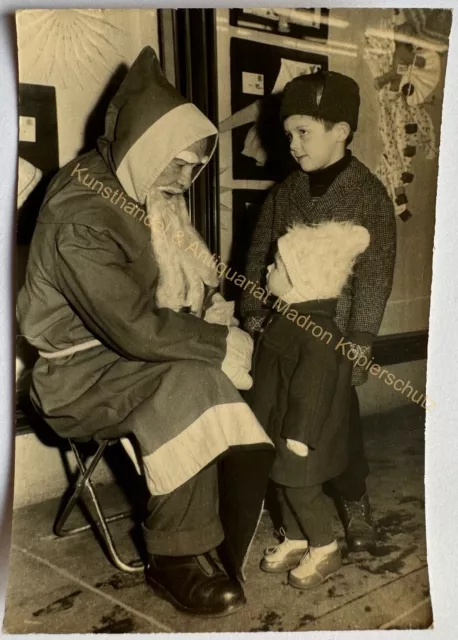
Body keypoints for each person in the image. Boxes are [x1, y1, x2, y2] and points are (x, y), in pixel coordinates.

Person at [17, 46, 274, 618]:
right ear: (143, 147)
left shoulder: (137, 185)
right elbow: (134, 328)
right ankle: (175, 558)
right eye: (177, 164)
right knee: (188, 382)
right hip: (73, 379)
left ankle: (208, 528)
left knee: (211, 369)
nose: (185, 180)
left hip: (115, 357)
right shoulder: (83, 212)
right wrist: (216, 342)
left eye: (193, 167)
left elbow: (178, 281)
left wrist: (210, 311)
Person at [241, 70, 397, 554]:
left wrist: (361, 339)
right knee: (281, 421)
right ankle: (290, 511)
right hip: (282, 335)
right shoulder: (283, 194)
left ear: (341, 131)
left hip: (335, 340)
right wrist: (251, 315)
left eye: (303, 132)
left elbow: (374, 275)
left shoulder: (368, 196)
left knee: (339, 425)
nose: (293, 144)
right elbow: (258, 258)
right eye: (288, 134)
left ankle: (353, 500)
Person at [247, 221, 370, 589]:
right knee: (282, 484)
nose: (267, 270)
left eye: (277, 266)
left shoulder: (317, 333)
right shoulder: (287, 318)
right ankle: (298, 539)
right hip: (279, 424)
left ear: (302, 277)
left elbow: (312, 389)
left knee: (301, 490)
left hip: (303, 435)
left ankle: (325, 547)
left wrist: (300, 434)